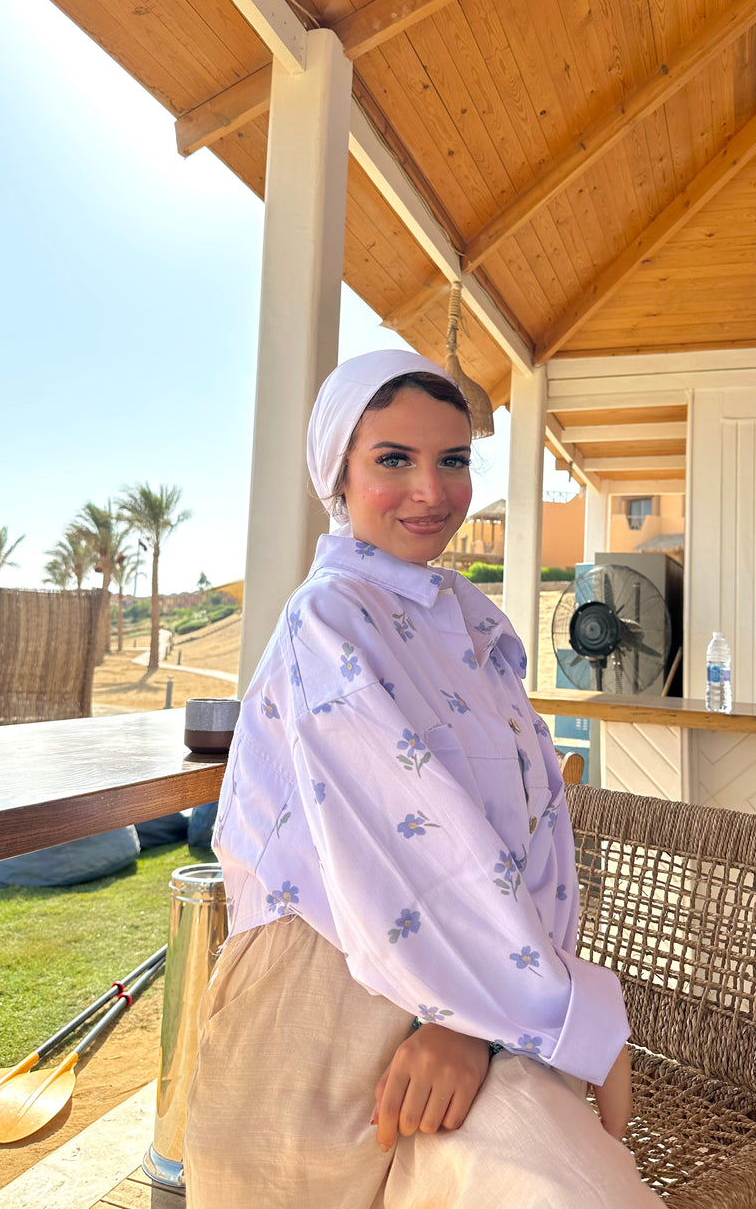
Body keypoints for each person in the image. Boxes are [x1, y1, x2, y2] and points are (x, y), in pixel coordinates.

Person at [184, 350, 659, 1208]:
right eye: (393, 459)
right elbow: (407, 835)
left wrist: (501, 1017)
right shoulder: (328, 621)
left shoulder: (474, 627)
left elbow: (535, 818)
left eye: (453, 459)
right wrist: (536, 1010)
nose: (430, 490)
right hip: (319, 1000)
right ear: (338, 473)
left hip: (484, 983)